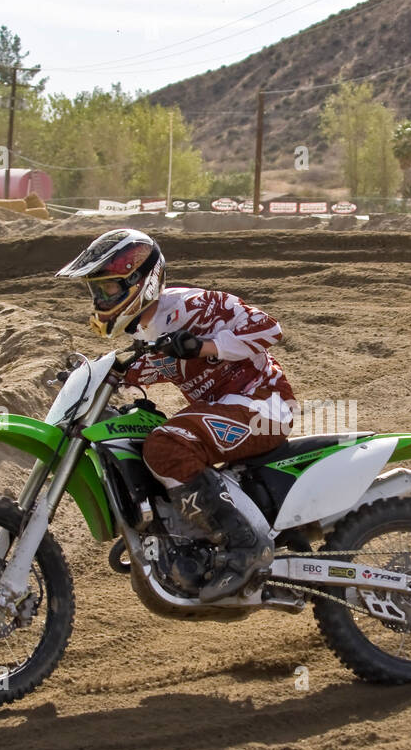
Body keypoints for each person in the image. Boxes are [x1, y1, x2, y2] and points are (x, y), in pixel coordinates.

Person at [57, 228, 295, 600]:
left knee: (166, 444)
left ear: (142, 281)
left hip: (263, 405)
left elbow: (270, 328)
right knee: (135, 435)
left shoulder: (195, 305)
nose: (101, 299)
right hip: (223, 411)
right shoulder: (148, 334)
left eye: (108, 289)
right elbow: (132, 373)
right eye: (97, 291)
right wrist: (86, 381)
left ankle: (245, 547)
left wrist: (205, 346)